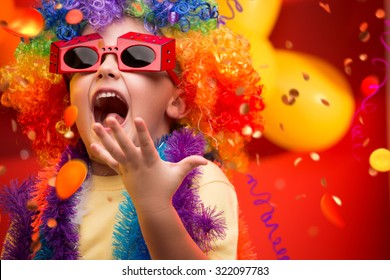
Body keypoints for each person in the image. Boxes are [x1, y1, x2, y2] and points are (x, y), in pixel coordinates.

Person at [0, 0, 264, 260]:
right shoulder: (40, 203)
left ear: (177, 101)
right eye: (82, 57)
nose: (105, 68)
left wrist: (156, 207)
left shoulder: (198, 180)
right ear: (68, 99)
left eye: (137, 55)